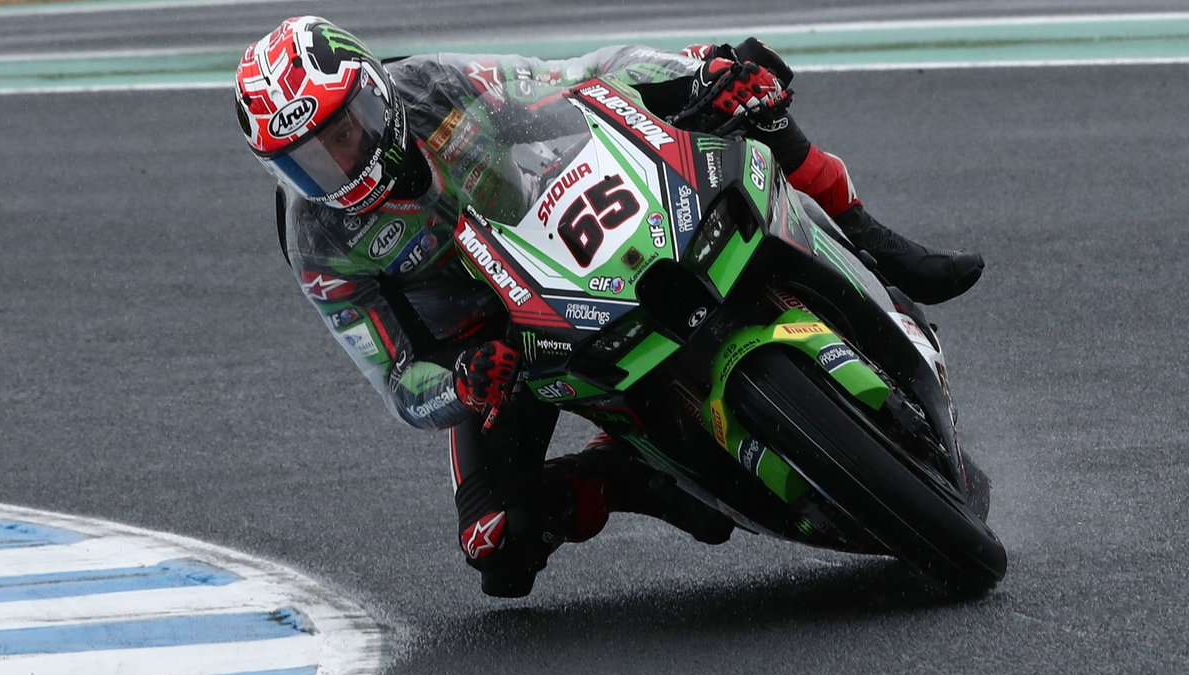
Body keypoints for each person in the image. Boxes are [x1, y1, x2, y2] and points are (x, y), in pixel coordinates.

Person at [234, 16, 985, 597]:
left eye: (342, 129)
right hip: (496, 339)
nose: (338, 161)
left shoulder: (431, 87)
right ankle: (628, 471)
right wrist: (461, 379)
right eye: (307, 158)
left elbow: (578, 80)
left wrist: (696, 75)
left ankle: (868, 240)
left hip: (555, 228)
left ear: (371, 90)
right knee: (497, 543)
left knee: (741, 75)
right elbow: (396, 379)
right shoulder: (320, 240)